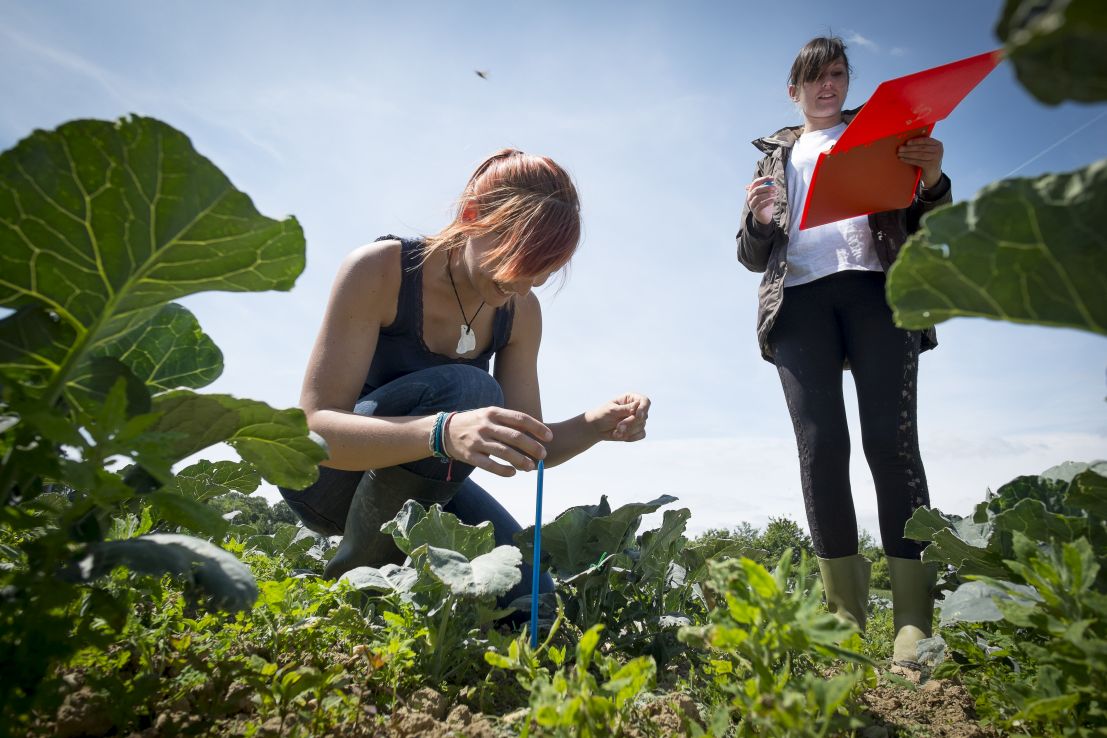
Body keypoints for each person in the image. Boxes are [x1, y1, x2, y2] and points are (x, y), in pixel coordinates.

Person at [280, 148, 650, 604]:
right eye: (518, 261)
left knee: (529, 594)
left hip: (417, 491)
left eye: (541, 275)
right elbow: (312, 431)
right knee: (471, 388)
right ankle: (352, 591)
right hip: (327, 482)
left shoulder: (520, 312)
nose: (521, 286)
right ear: (473, 215)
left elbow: (529, 443)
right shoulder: (378, 270)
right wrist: (442, 432)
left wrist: (596, 425)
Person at [735, 36, 949, 669]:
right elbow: (750, 257)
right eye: (813, 76)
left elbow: (931, 224)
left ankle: (913, 622)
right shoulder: (773, 156)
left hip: (878, 292)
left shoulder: (887, 134)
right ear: (793, 90)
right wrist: (760, 222)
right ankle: (844, 620)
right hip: (798, 303)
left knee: (890, 441)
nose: (826, 85)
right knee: (822, 446)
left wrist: (932, 180)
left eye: (836, 74)